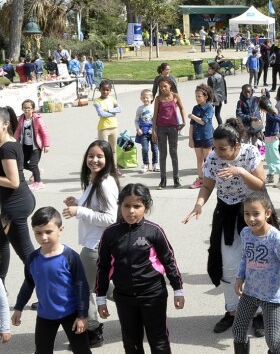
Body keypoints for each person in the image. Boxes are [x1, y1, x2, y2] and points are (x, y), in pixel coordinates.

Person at [182, 119, 265, 334]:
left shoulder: (249, 153)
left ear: (236, 145)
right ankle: (232, 311)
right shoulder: (212, 157)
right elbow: (208, 185)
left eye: (223, 148)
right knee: (229, 264)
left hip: (251, 212)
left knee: (255, 264)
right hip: (226, 212)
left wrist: (240, 171)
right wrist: (198, 205)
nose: (217, 152)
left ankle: (257, 314)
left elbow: (260, 184)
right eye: (215, 147)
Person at [96, 183, 184, 353]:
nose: (131, 211)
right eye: (127, 205)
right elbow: (103, 267)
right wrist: (101, 298)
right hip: (123, 297)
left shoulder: (154, 231)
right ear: (120, 205)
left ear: (146, 207)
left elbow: (169, 261)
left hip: (153, 295)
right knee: (131, 342)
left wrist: (177, 289)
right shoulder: (110, 233)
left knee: (158, 341)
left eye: (137, 206)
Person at [62, 140, 120, 348]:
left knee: (84, 288)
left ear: (108, 159)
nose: (94, 160)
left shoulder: (105, 182)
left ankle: (93, 331)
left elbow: (111, 218)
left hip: (96, 246)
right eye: (91, 156)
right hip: (93, 243)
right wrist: (77, 203)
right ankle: (138, 307)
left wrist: (80, 211)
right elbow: (95, 207)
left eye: (99, 157)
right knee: (101, 286)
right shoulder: (95, 179)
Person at [11, 207, 91, 354]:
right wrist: (18, 308)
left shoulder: (70, 257)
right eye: (38, 233)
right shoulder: (33, 259)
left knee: (81, 350)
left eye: (48, 232)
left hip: (71, 313)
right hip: (45, 315)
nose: (43, 237)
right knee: (42, 350)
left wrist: (82, 315)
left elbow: (81, 287)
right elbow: (28, 284)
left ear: (60, 230)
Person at [232, 191, 280, 354]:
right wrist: (240, 276)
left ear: (267, 214)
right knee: (238, 331)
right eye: (247, 214)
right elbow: (245, 257)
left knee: (273, 341)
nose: (251, 219)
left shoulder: (276, 238)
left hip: (271, 297)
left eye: (256, 214)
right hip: (250, 293)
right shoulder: (245, 233)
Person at [0, 106, 36, 284]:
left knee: (27, 254)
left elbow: (13, 181)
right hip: (17, 202)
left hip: (15, 207)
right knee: (1, 243)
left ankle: (48, 293)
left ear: (5, 124)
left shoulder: (6, 148)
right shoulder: (10, 142)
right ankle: (1, 286)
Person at [152, 78, 186, 189]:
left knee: (173, 153)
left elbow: (182, 108)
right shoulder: (158, 99)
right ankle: (163, 180)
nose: (162, 89)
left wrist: (184, 122)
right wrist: (154, 131)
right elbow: (155, 115)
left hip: (173, 128)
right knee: (163, 154)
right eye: (160, 87)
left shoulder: (175, 96)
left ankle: (176, 179)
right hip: (161, 128)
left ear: (170, 85)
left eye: (165, 86)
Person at [15, 99, 50, 191]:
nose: (27, 110)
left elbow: (44, 132)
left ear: (33, 109)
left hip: (36, 146)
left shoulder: (37, 119)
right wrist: (14, 142)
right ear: (22, 109)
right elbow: (18, 131)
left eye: (29, 108)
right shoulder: (21, 119)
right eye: (25, 108)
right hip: (25, 145)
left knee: (33, 164)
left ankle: (38, 182)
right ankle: (37, 171)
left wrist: (46, 145)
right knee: (21, 163)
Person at [188, 83, 214, 189]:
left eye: (199, 96)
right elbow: (192, 125)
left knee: (208, 159)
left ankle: (210, 179)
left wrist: (192, 116)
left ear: (206, 96)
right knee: (199, 159)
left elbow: (203, 122)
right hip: (197, 137)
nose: (197, 98)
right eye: (196, 96)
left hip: (207, 136)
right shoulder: (195, 108)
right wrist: (190, 138)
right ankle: (200, 178)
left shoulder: (209, 107)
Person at [93, 79, 123, 174]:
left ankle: (114, 168)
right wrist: (112, 112)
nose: (105, 92)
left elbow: (120, 109)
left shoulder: (112, 99)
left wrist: (109, 110)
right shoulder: (97, 101)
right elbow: (101, 113)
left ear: (110, 90)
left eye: (107, 90)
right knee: (103, 150)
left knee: (113, 150)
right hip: (103, 128)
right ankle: (104, 169)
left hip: (114, 127)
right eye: (103, 89)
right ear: (100, 90)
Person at [259, 95, 280, 188]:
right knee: (269, 158)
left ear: (262, 108)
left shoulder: (271, 114)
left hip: (273, 140)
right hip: (267, 140)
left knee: (275, 159)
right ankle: (271, 175)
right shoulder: (268, 113)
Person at [134, 89, 159, 173]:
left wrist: (155, 129)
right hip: (143, 132)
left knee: (155, 148)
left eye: (147, 98)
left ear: (151, 98)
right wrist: (138, 129)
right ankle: (146, 164)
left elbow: (157, 119)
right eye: (143, 98)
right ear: (141, 98)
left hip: (153, 131)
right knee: (145, 148)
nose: (145, 100)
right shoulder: (140, 109)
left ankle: (155, 163)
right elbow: (136, 120)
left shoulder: (155, 107)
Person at [207, 61, 227, 126]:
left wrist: (207, 99)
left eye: (209, 68)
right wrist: (225, 98)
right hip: (219, 98)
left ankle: (209, 129)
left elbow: (209, 90)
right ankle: (221, 128)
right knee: (217, 114)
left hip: (212, 99)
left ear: (213, 69)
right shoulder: (221, 76)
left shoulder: (211, 78)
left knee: (209, 114)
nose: (208, 70)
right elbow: (224, 88)